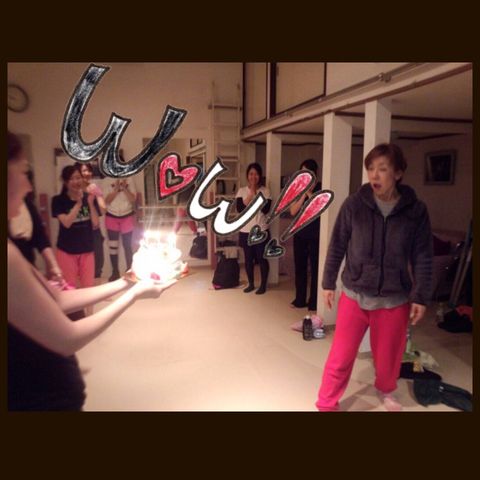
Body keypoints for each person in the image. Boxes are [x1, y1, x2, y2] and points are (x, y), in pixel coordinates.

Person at [7, 131, 176, 411]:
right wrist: (134, 295)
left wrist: (128, 280)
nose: (27, 186)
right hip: (38, 399)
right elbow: (67, 338)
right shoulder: (9, 256)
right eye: (23, 172)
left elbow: (58, 299)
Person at [316, 143, 433, 412]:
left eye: (382, 169)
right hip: (354, 293)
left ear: (398, 173)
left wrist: (421, 296)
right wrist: (328, 282)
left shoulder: (415, 211)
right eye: (370, 169)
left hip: (394, 298)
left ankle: (386, 389)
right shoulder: (354, 205)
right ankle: (326, 403)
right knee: (340, 356)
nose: (374, 175)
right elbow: (337, 244)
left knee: (389, 356)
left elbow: (423, 256)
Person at [51, 165, 99, 290]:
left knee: (88, 288)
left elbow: (95, 223)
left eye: (78, 178)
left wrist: (90, 204)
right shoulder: (58, 200)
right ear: (65, 182)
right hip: (66, 250)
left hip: (87, 249)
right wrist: (78, 204)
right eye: (71, 179)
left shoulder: (89, 197)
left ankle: (89, 305)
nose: (76, 181)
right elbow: (66, 223)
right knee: (69, 289)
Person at [289, 159, 322, 311]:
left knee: (315, 269)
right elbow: (293, 211)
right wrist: (303, 194)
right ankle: (300, 299)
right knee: (300, 267)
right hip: (300, 234)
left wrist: (309, 192)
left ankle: (314, 301)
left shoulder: (321, 188)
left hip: (315, 235)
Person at [236, 163, 272, 295]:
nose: (253, 176)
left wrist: (256, 195)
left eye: (256, 174)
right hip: (246, 231)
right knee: (248, 259)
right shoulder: (241, 191)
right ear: (247, 176)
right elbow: (240, 209)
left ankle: (263, 285)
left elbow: (266, 210)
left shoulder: (266, 191)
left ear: (260, 176)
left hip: (261, 230)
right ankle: (251, 284)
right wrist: (250, 195)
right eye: (251, 174)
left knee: (262, 259)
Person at [76, 162, 107, 282]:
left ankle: (96, 288)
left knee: (97, 264)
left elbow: (103, 210)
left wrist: (97, 195)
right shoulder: (73, 190)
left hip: (94, 231)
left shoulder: (94, 188)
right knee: (81, 267)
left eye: (89, 170)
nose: (88, 173)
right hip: (78, 232)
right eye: (84, 170)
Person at [104, 174, 137, 281]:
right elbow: (106, 200)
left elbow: (133, 199)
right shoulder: (107, 180)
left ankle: (129, 271)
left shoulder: (129, 179)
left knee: (127, 245)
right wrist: (116, 189)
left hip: (127, 215)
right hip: (111, 216)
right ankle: (115, 272)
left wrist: (125, 188)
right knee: (113, 247)